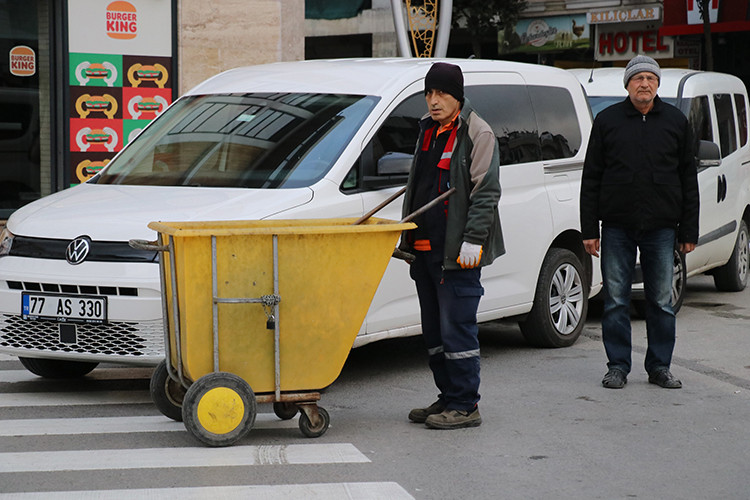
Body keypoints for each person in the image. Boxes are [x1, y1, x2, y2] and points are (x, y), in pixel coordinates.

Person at [580, 55, 699, 390]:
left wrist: (689, 230)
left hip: (662, 228)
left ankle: (660, 367)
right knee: (616, 300)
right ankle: (617, 366)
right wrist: (589, 229)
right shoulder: (607, 121)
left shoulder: (675, 122)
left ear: (658, 84)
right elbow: (591, 178)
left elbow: (688, 179)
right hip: (616, 226)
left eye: (650, 78)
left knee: (661, 301)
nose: (644, 83)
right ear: (627, 84)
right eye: (637, 78)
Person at [399, 62, 504, 429]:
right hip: (426, 250)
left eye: (441, 93)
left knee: (457, 329)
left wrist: (474, 239)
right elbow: (421, 185)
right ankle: (447, 396)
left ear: (457, 95)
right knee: (435, 333)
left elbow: (486, 191)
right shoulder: (427, 130)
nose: (434, 100)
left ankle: (465, 404)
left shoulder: (477, 131)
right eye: (429, 93)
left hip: (457, 254)